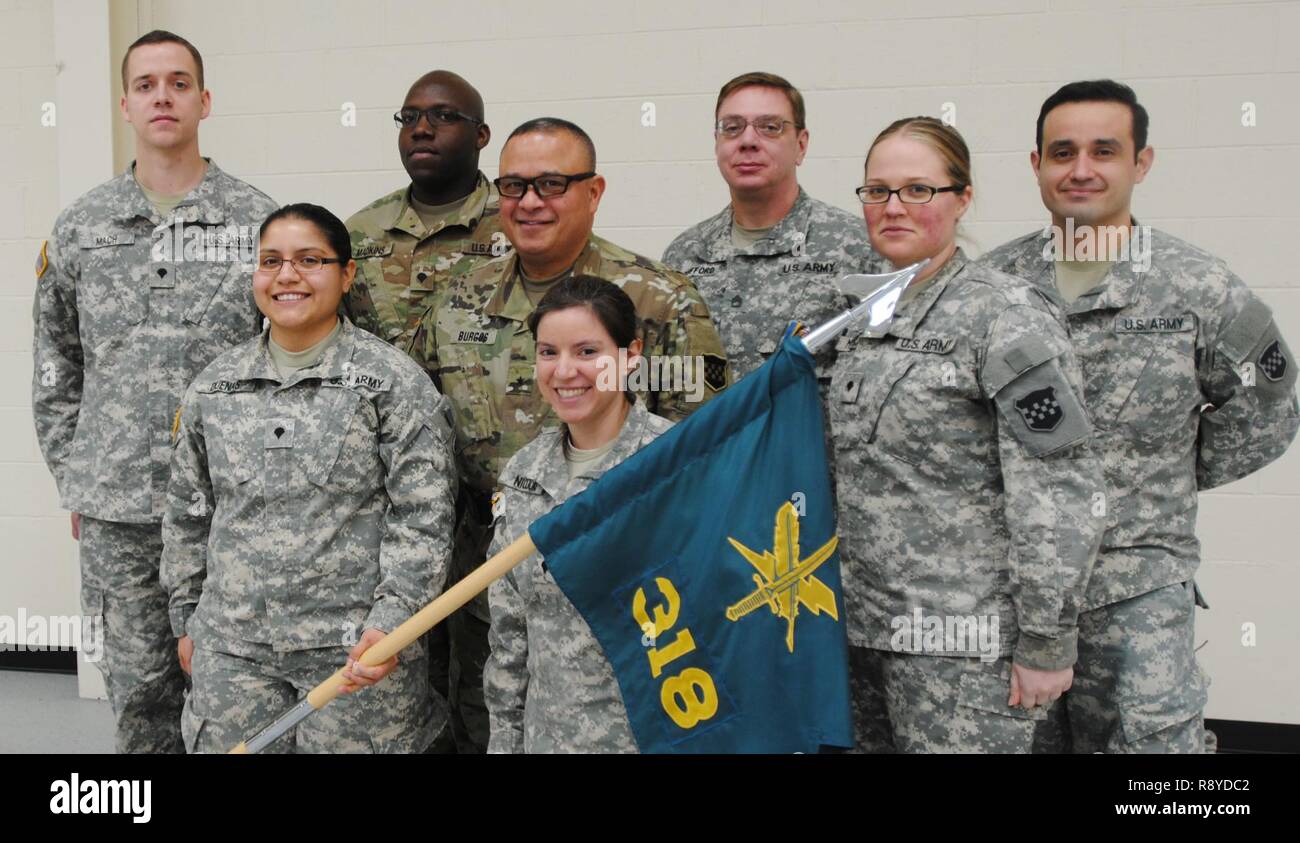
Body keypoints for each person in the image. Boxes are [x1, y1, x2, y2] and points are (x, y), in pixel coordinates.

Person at [980, 80, 1299, 753]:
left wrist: (1160, 476)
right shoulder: (990, 286)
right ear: (1035, 164)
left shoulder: (1196, 284)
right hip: (1013, 590)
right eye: (1062, 152)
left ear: (1141, 163)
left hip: (1138, 591)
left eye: (1105, 150)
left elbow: (1271, 407)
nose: (1082, 169)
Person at [415, 117, 729, 752]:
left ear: (595, 190)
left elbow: (706, 461)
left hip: (635, 607)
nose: (530, 202)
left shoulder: (658, 299)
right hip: (495, 585)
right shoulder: (458, 300)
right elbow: (427, 440)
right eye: (513, 185)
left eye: (552, 184)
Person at [30, 30, 277, 753]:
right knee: (140, 695)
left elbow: (288, 355)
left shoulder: (257, 222)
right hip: (119, 510)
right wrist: (77, 477)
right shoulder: (82, 227)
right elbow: (55, 365)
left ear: (204, 100)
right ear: (125, 104)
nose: (162, 96)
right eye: (146, 84)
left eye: (177, 82)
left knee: (235, 688)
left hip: (232, 505)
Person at [831, 117, 1105, 753]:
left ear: (962, 198)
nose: (893, 207)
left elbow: (1059, 486)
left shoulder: (1004, 315)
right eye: (877, 191)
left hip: (962, 646)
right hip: (860, 633)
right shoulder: (857, 316)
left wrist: (1046, 640)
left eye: (918, 189)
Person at [160, 204, 457, 753]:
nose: (287, 275)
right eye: (270, 260)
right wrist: (186, 618)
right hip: (234, 649)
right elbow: (188, 513)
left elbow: (422, 517)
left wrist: (394, 622)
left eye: (309, 260)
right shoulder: (215, 386)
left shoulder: (391, 383)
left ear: (346, 275)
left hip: (354, 652)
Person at [343, 69, 503, 753]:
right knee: (402, 661)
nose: (423, 128)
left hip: (488, 487)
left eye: (443, 115)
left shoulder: (518, 223)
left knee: (493, 665)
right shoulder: (361, 234)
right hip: (389, 493)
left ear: (482, 135)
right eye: (410, 115)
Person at [483, 274, 673, 753]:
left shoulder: (673, 466)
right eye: (549, 352)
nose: (564, 371)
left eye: (587, 352)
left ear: (631, 357)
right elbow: (510, 636)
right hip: (548, 740)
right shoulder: (525, 470)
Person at [662, 71, 876, 379]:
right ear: (717, 143)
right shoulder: (685, 255)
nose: (748, 141)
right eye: (732, 128)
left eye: (770, 127)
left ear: (801, 145)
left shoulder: (855, 247)